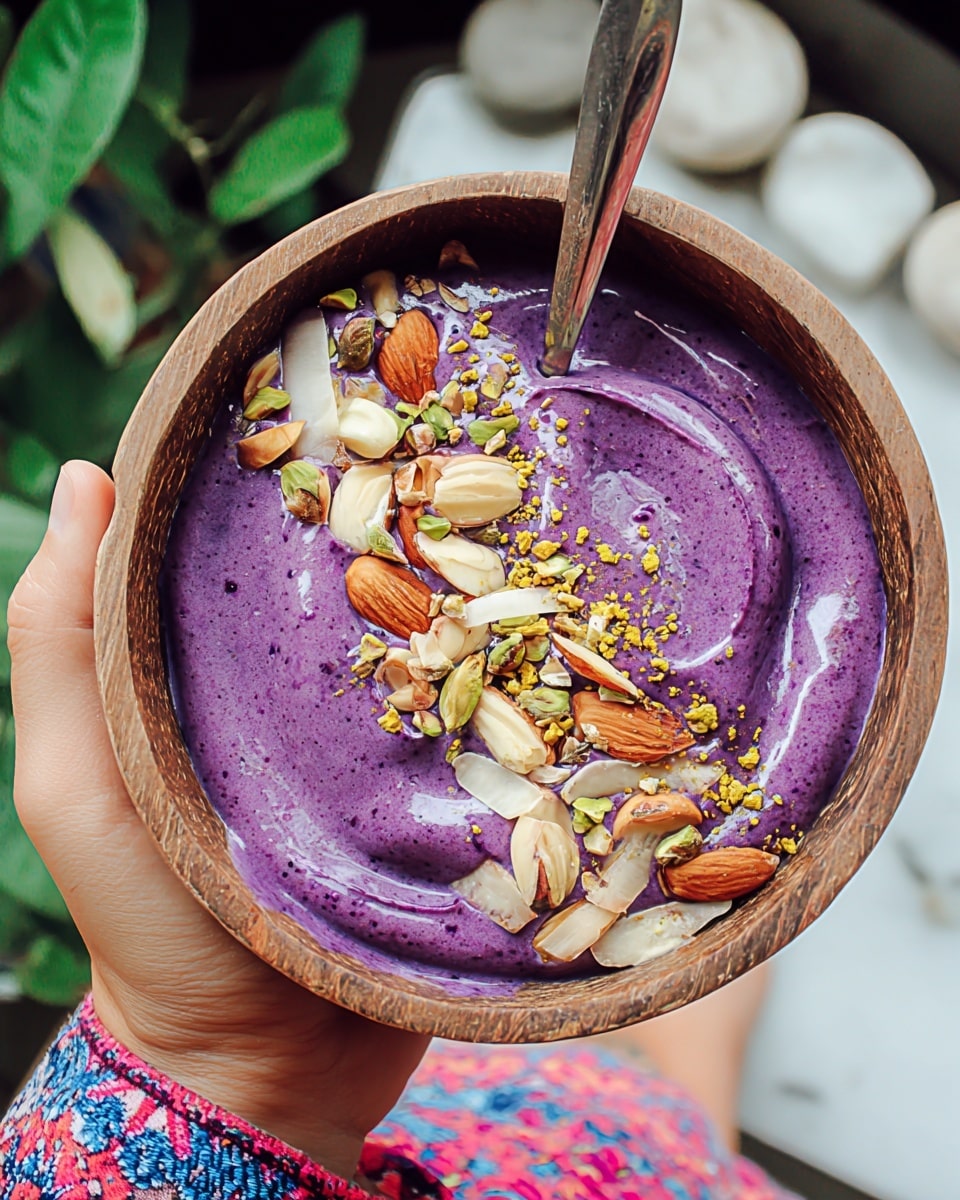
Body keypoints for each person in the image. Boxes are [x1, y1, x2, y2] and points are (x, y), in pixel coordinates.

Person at [1, 460, 799, 1199]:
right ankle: (680, 1105)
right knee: (658, 1132)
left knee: (597, 1096)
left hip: (393, 1125)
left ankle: (662, 1091)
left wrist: (215, 1062)